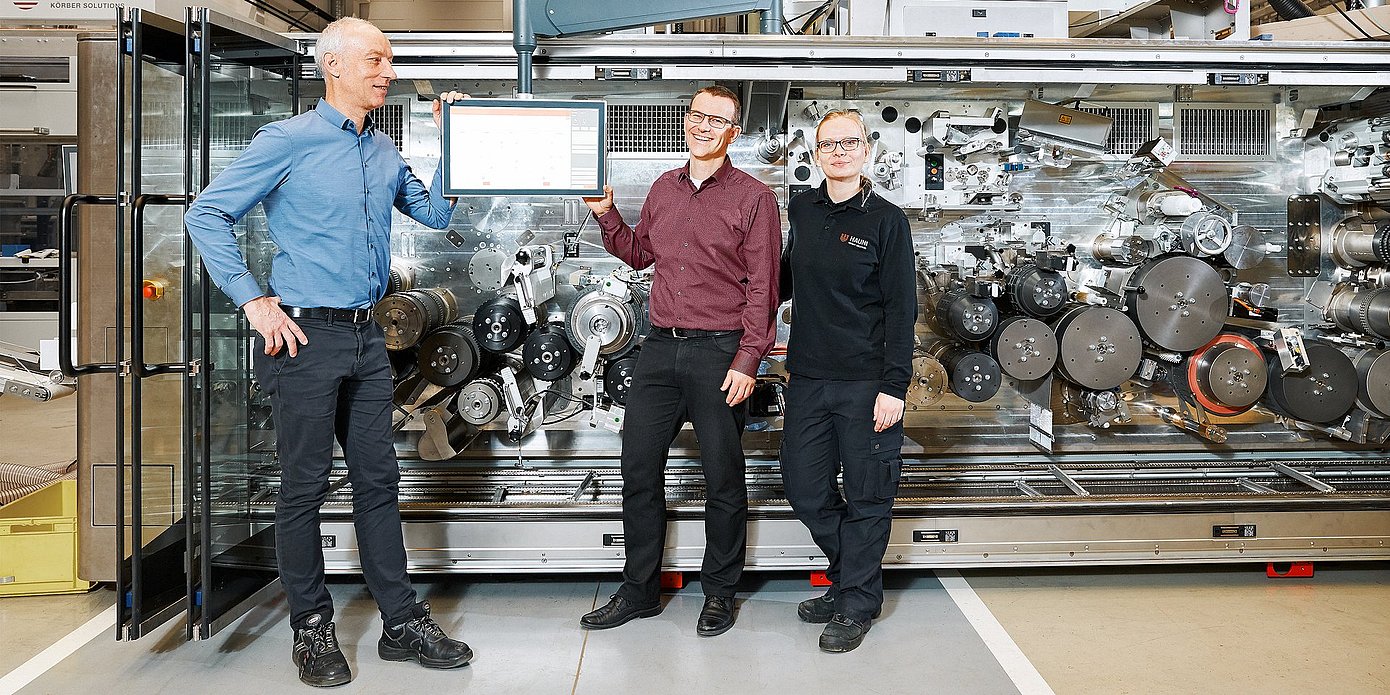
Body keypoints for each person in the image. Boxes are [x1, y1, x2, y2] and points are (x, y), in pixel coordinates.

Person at [184, 17, 471, 688]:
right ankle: (311, 630)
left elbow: (436, 215)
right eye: (377, 59)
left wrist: (456, 141)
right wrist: (254, 299)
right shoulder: (287, 141)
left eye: (391, 60)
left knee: (379, 482)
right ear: (334, 66)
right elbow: (206, 214)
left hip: (369, 336)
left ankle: (400, 621)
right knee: (303, 488)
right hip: (303, 337)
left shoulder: (383, 152)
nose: (389, 71)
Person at [578, 85, 782, 637]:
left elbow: (764, 286)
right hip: (660, 348)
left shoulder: (755, 198)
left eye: (716, 120)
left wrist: (747, 359)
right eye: (696, 116)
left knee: (723, 478)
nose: (703, 126)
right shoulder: (664, 188)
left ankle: (719, 592)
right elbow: (641, 254)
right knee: (638, 470)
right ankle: (640, 590)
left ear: (732, 133)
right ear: (686, 122)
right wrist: (607, 216)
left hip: (721, 352)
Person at [778, 109, 917, 653]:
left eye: (848, 142)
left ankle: (855, 601)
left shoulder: (887, 220)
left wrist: (895, 387)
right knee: (804, 488)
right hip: (809, 378)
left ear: (867, 150)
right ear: (814, 153)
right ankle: (854, 574)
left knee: (867, 496)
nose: (837, 151)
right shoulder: (803, 210)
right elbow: (784, 282)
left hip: (866, 384)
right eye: (827, 144)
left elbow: (901, 309)